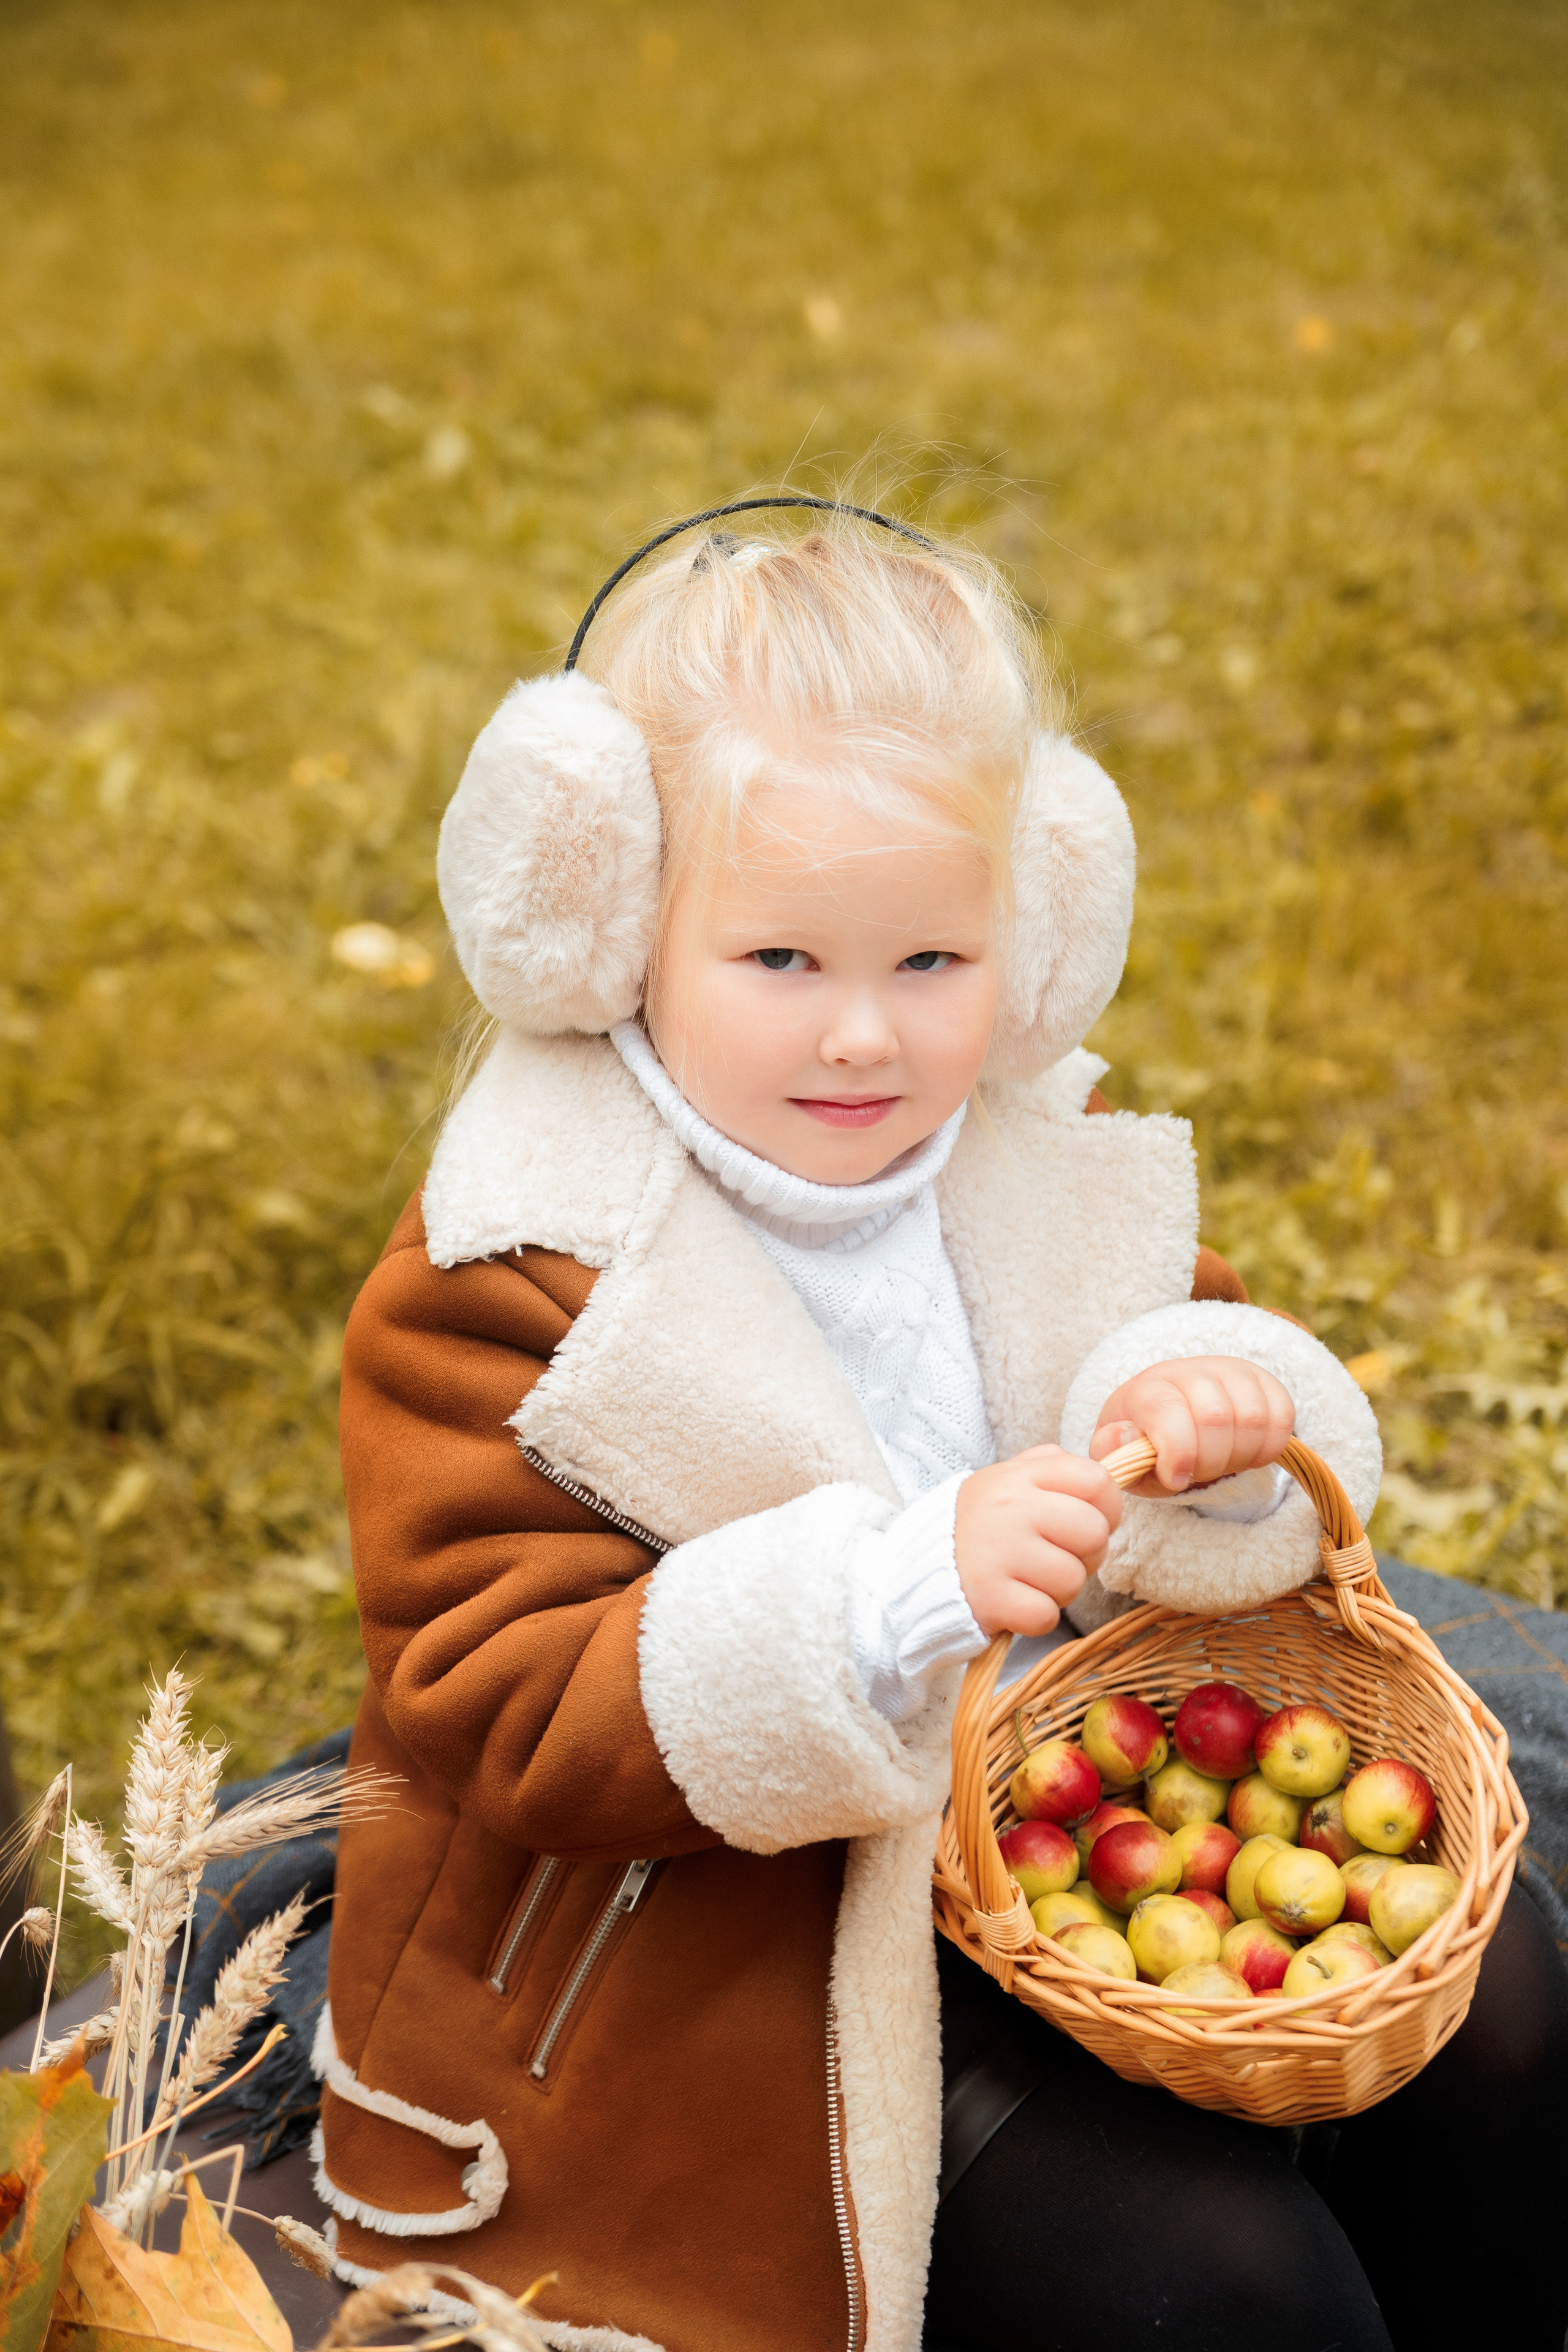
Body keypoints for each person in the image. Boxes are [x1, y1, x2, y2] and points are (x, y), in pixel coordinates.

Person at [315, 508, 1568, 2352]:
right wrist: (889, 1593)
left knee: (1510, 2002)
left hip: (1054, 1813)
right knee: (1214, 2283)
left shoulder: (1031, 1160)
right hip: (734, 1948)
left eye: (931, 963)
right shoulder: (511, 1269)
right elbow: (493, 1694)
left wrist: (1209, 1417)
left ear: (1035, 925)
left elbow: (1176, 1342)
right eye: (780, 960)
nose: (865, 1039)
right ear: (611, 924)